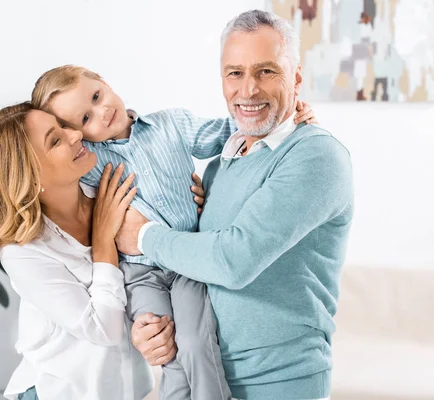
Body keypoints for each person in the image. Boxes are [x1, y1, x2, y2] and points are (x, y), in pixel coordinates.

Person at [30, 65, 317, 399]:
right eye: (85, 119)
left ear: (105, 82)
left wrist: (286, 118)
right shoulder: (88, 162)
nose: (102, 111)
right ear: (75, 133)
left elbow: (230, 131)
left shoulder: (170, 124)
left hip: (186, 263)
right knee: (169, 353)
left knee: (196, 342)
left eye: (97, 96)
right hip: (139, 274)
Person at [117, 10, 354, 400]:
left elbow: (233, 260)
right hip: (206, 378)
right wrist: (149, 327)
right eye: (235, 73)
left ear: (295, 78)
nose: (248, 90)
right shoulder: (221, 163)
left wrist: (142, 235)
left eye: (266, 71)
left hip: (280, 384)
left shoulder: (316, 156)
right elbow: (194, 267)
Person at [0, 103, 180, 400]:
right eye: (55, 140)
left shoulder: (110, 190)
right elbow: (102, 329)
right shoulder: (24, 252)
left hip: (127, 391)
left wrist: (191, 193)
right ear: (30, 178)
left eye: (62, 126)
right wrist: (104, 239)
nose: (76, 133)